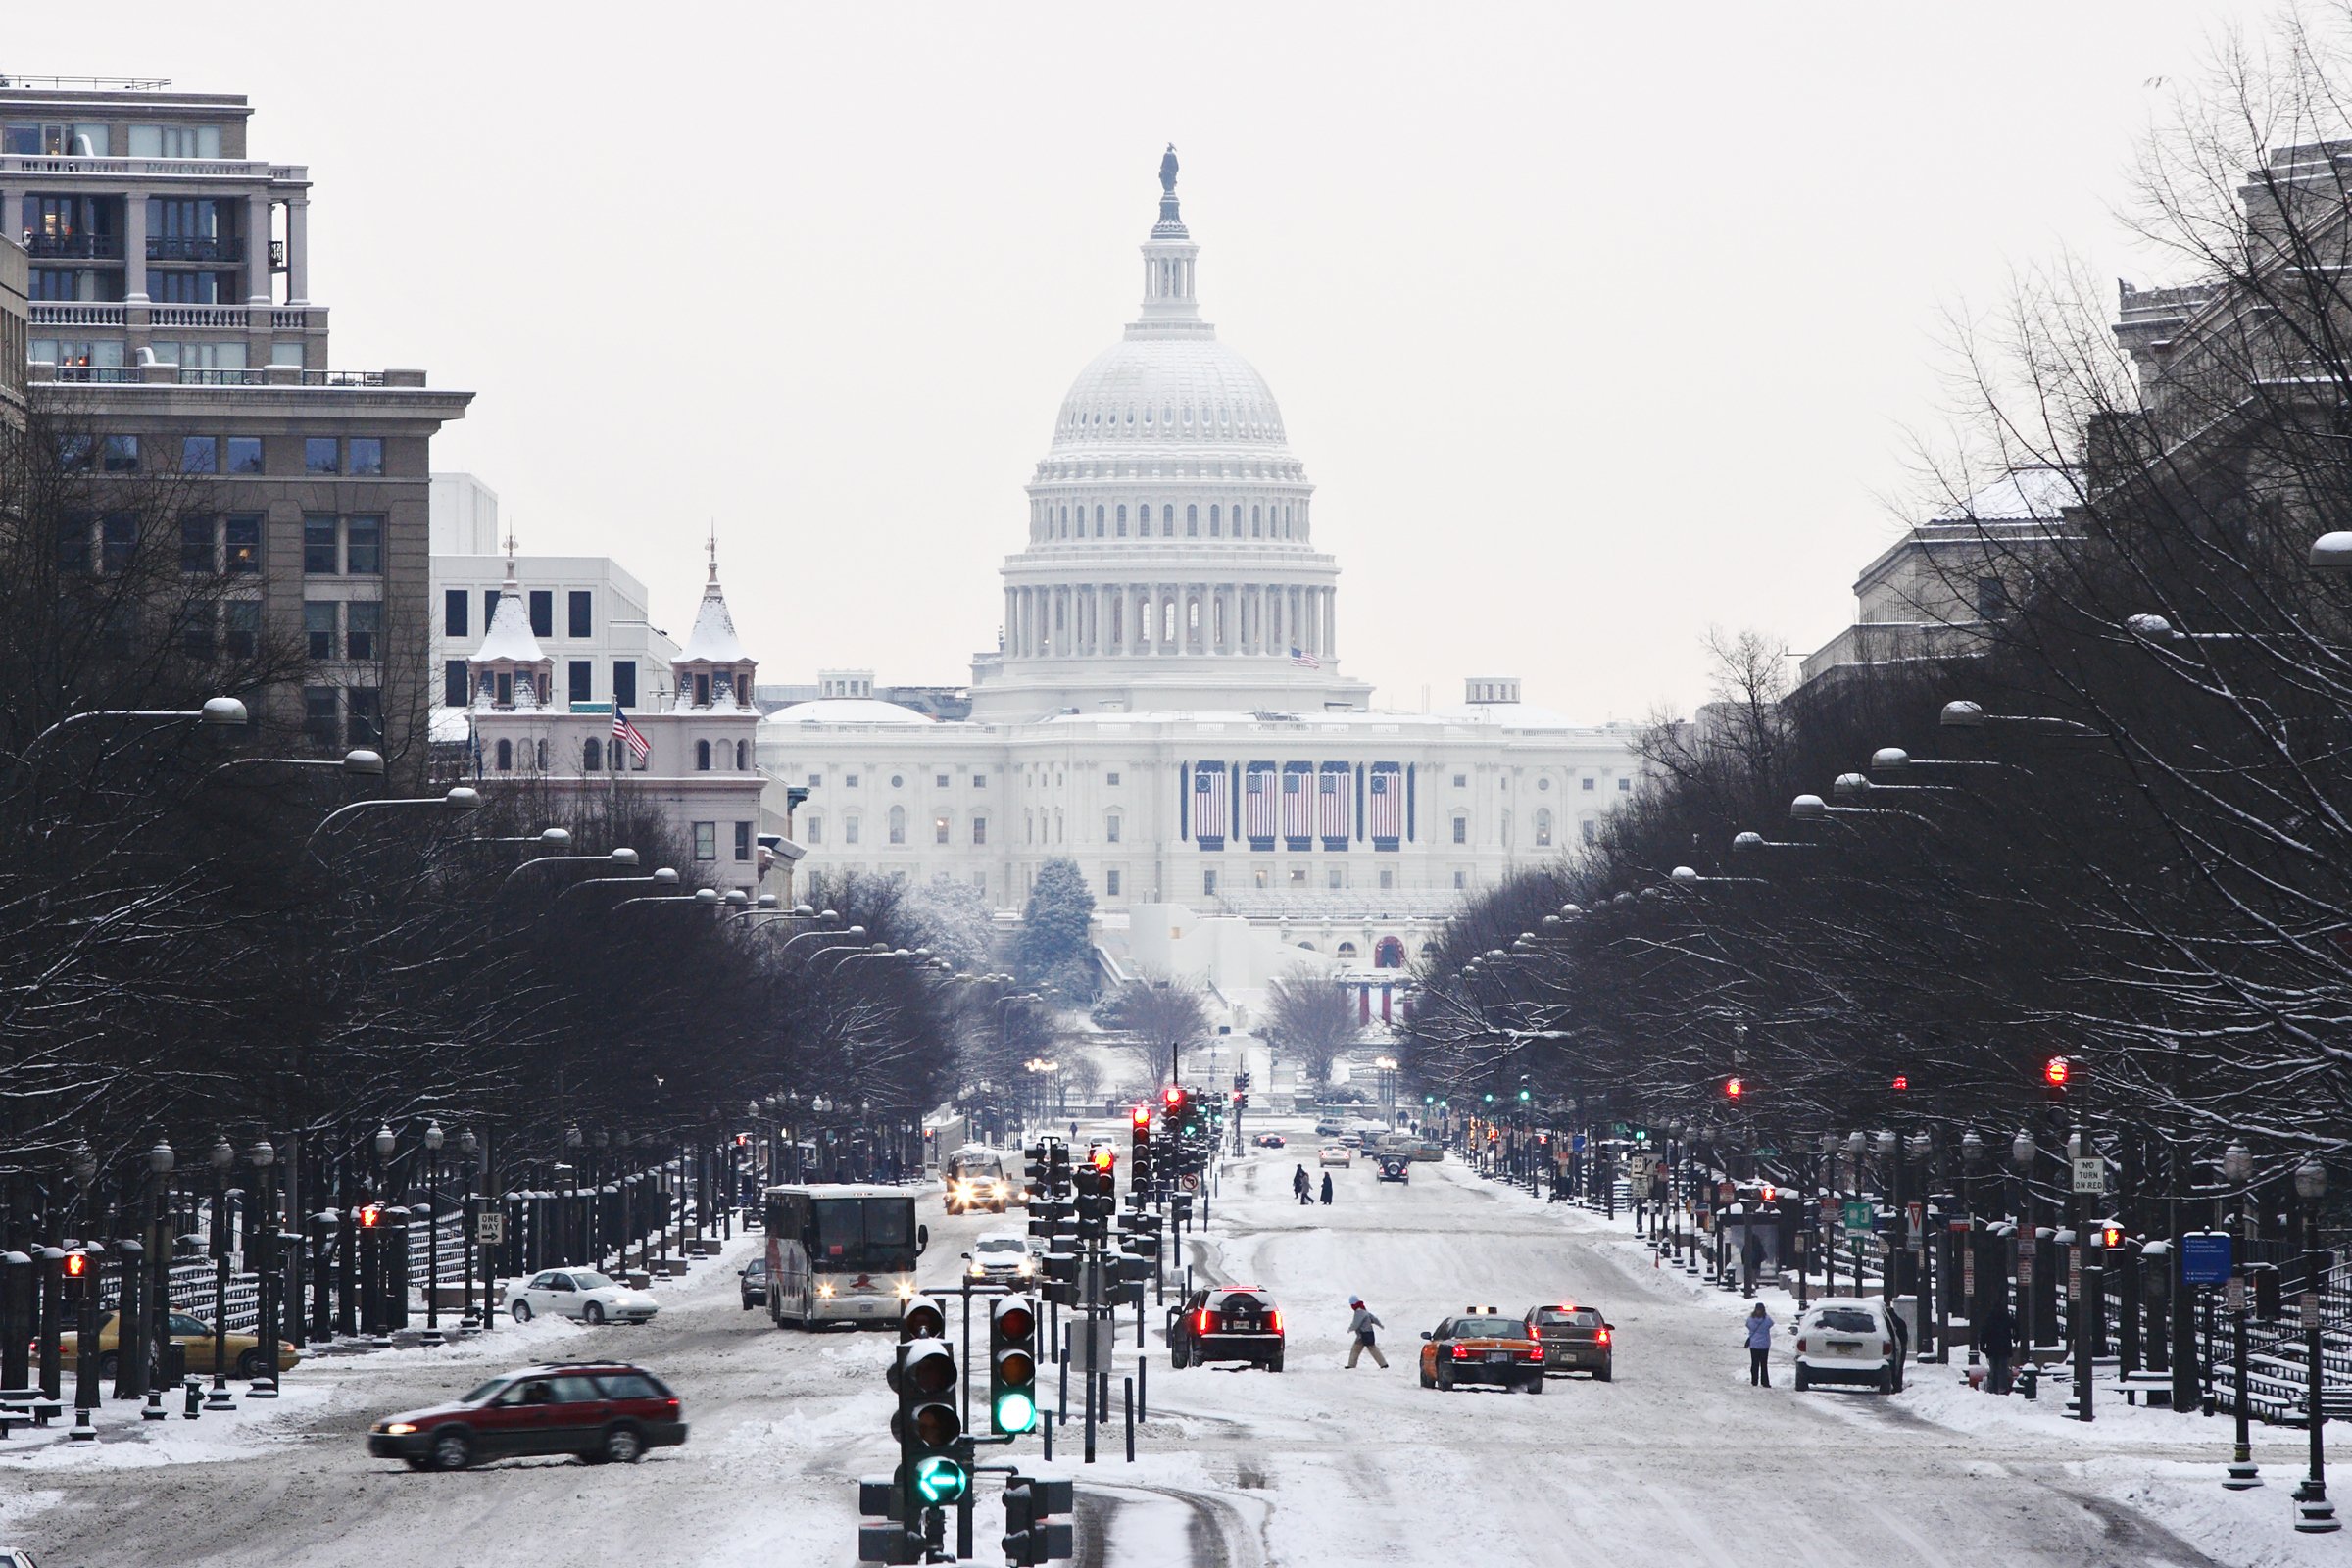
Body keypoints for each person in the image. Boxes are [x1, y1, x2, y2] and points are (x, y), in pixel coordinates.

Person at [1978, 1295, 2016, 1395]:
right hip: (2004, 1347)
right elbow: (2016, 1326)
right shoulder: (2006, 1317)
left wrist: (1982, 1346)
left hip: (1992, 1348)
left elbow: (1984, 1333)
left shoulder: (1990, 1319)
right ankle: (2003, 1388)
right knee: (2003, 1369)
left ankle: (1993, 1388)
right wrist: (2016, 1338)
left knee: (1994, 1369)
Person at [1346, 1297, 1387, 1368]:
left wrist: (1350, 1329)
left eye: (1351, 1304)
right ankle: (1383, 1364)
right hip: (1369, 1333)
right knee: (1373, 1349)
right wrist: (1380, 1325)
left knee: (1355, 1350)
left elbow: (1356, 1324)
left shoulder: (1359, 1312)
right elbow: (1373, 1318)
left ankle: (1351, 1365)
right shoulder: (1364, 1310)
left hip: (1362, 1335)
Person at [1744, 1302, 1774, 1387]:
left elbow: (1748, 1325)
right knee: (1764, 1364)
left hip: (1754, 1344)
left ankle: (1754, 1381)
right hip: (1764, 1344)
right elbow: (1771, 1324)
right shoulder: (1767, 1320)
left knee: (1754, 1363)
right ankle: (1765, 1382)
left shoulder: (1750, 1319)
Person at [1740, 1227, 1766, 1298]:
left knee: (1750, 1275)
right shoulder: (1758, 1245)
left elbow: (1743, 1253)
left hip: (1749, 1263)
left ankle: (1751, 1286)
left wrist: (1744, 1262)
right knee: (1754, 1275)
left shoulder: (1747, 1245)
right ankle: (1753, 1286)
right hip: (1756, 1264)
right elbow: (1762, 1254)